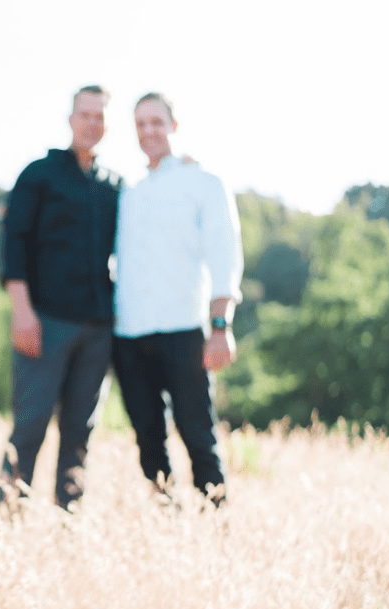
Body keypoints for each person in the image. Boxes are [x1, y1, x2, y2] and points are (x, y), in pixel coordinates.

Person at [112, 92, 243, 507]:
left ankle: (216, 519)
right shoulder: (128, 192)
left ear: (174, 125)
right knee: (148, 437)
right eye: (140, 124)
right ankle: (165, 522)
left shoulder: (203, 182)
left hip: (184, 329)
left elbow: (225, 255)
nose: (149, 131)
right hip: (128, 332)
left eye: (156, 121)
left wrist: (221, 326)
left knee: (197, 431)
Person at [0, 86, 124, 511]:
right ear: (70, 119)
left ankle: (68, 526)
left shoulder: (115, 186)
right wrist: (21, 314)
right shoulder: (38, 174)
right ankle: (5, 525)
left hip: (97, 327)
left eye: (100, 116)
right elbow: (14, 243)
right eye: (85, 114)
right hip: (44, 321)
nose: (92, 123)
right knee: (30, 426)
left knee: (79, 432)